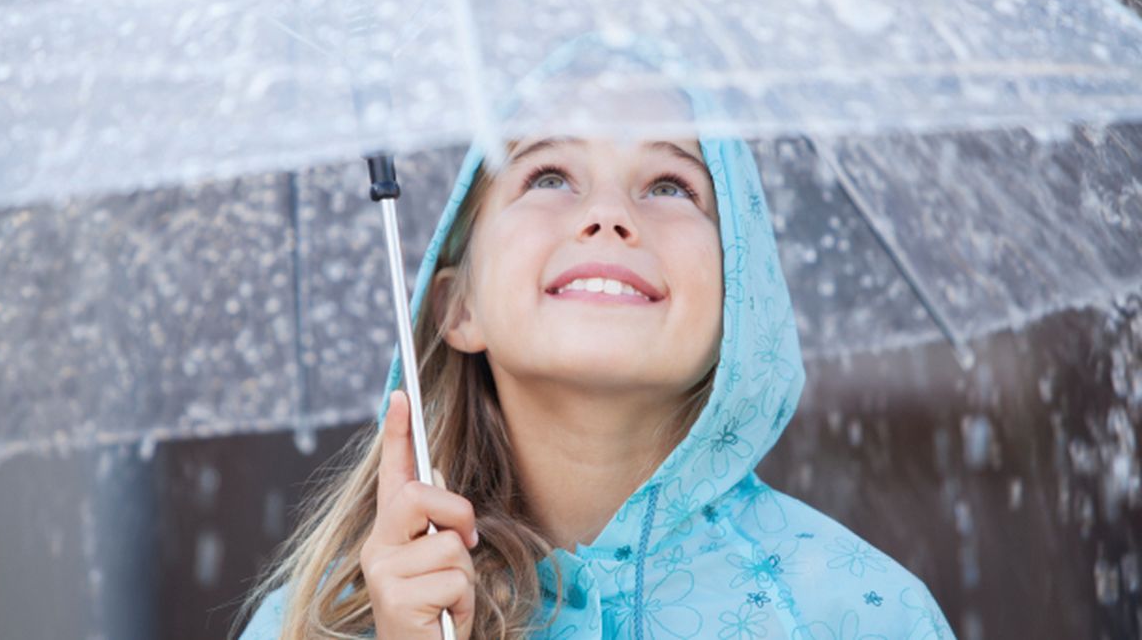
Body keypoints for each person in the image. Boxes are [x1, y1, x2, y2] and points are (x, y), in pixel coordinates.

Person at [235, 38, 956, 640]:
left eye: (671, 185)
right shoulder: (318, 624)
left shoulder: (860, 615)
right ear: (458, 307)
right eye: (549, 174)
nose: (609, 214)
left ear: (746, 301)